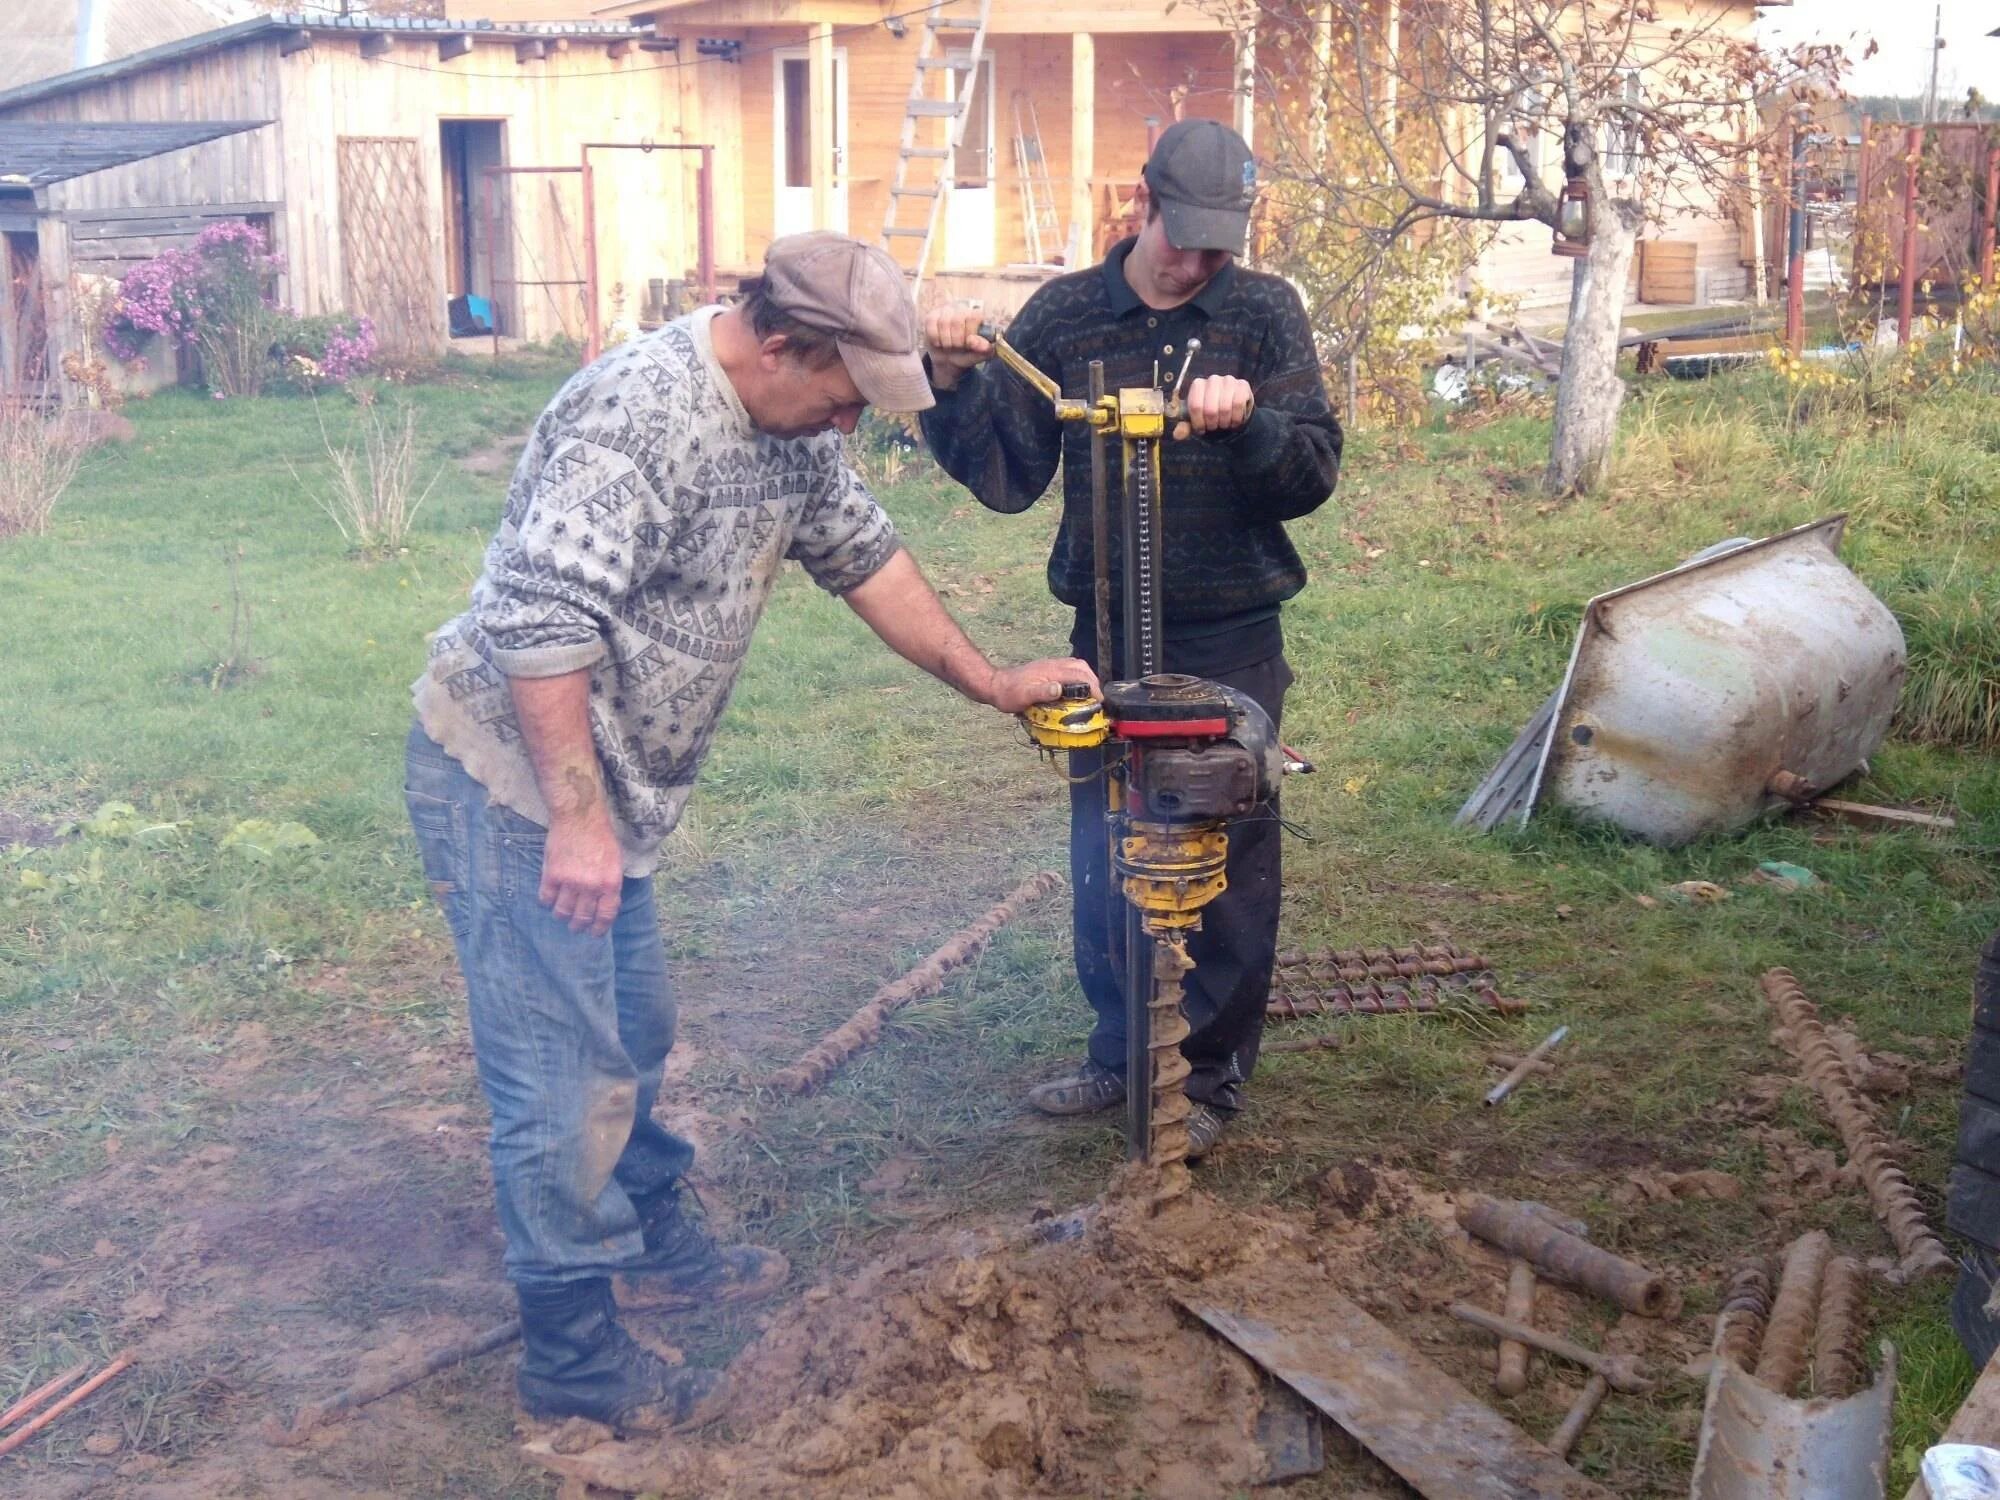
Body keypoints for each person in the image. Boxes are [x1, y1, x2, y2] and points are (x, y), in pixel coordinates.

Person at [405, 232, 1097, 1432]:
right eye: (838, 397)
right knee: (561, 1071)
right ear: (777, 344)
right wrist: (575, 819)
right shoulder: (635, 415)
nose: (845, 426)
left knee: (635, 1023)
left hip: (602, 795)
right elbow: (537, 620)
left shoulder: (790, 432)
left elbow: (863, 554)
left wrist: (987, 681)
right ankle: (571, 1355)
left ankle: (650, 1237)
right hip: (512, 784)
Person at [920, 119, 1341, 1160]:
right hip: (1100, 635)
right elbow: (1008, 477)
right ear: (1141, 204)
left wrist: (1250, 423)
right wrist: (947, 381)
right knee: (1105, 846)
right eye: (1184, 236)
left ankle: (1205, 1077)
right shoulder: (1065, 315)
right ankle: (1121, 1053)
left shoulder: (1260, 313)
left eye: (1217, 244)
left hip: (1230, 632)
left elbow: (1312, 477)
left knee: (1225, 855)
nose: (1198, 262)